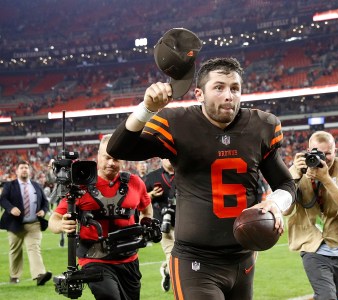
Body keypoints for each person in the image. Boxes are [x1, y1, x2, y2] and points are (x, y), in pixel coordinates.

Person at [106, 56, 296, 300]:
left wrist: (275, 203)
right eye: (219, 87)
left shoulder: (261, 126)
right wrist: (147, 109)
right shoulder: (178, 123)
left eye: (235, 88)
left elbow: (287, 184)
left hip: (243, 259)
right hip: (196, 261)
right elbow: (119, 149)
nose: (229, 95)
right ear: (199, 94)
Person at [48, 134, 158, 300]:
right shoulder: (80, 185)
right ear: (98, 157)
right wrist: (62, 225)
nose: (111, 163)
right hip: (94, 259)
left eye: (116, 159)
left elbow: (146, 209)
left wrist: (146, 222)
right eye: (107, 158)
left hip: (129, 259)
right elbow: (54, 219)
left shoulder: (135, 183)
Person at [284, 131, 338, 300]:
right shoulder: (295, 170)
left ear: (335, 151)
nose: (323, 159)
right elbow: (285, 211)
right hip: (312, 246)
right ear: (308, 151)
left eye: (328, 153)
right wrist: (294, 177)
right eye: (317, 153)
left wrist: (326, 179)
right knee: (326, 297)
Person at [0, 160, 52, 285]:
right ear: (17, 171)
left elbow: (45, 203)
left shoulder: (36, 185)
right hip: (15, 224)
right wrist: (10, 208)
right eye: (22, 167)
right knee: (15, 250)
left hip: (34, 223)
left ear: (29, 170)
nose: (24, 170)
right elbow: (3, 199)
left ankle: (39, 275)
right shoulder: (9, 185)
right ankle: (14, 276)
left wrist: (43, 211)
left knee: (34, 249)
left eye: (26, 168)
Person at [144, 158, 176, 292]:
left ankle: (167, 271)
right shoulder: (152, 177)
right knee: (172, 258)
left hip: (186, 223)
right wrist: (151, 194)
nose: (168, 159)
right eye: (165, 156)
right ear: (160, 158)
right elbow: (139, 199)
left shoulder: (185, 174)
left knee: (186, 259)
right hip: (164, 226)